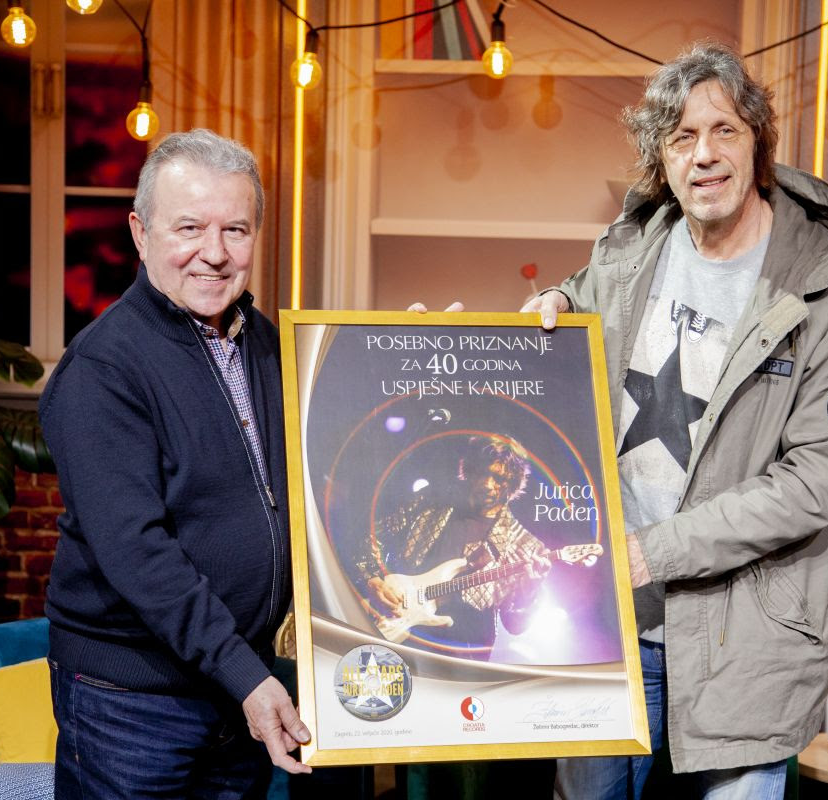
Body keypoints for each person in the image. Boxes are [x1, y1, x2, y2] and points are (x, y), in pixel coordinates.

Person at [522, 42, 828, 799]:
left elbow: (810, 484)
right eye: (682, 137)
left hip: (741, 644)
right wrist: (552, 302)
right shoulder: (628, 254)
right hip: (608, 630)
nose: (704, 155)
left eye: (724, 131)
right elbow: (576, 302)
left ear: (759, 145)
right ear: (662, 158)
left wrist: (652, 554)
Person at [40, 128, 311, 799]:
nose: (214, 253)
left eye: (235, 230)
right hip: (131, 702)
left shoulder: (269, 346)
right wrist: (246, 675)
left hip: (235, 685)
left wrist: (397, 354)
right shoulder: (102, 369)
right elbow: (138, 553)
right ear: (141, 233)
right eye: (189, 227)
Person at [358, 435, 551, 658]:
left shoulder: (524, 545)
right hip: (396, 632)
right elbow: (371, 536)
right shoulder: (430, 502)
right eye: (482, 472)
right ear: (470, 471)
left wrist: (529, 593)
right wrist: (373, 580)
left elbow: (515, 625)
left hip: (461, 655)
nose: (487, 484)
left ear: (513, 484)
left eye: (499, 478)